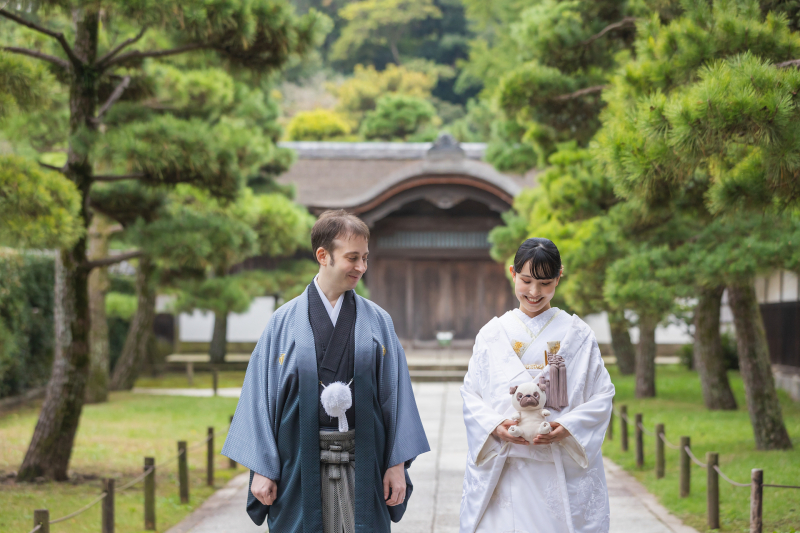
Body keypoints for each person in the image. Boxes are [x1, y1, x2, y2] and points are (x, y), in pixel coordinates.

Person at [222, 210, 429, 533]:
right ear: (323, 256)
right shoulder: (282, 322)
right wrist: (262, 468)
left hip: (365, 461)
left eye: (365, 258)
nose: (361, 267)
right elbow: (259, 399)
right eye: (352, 258)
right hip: (298, 465)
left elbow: (396, 397)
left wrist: (396, 464)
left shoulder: (378, 321)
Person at [460, 238, 615, 533]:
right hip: (506, 465)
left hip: (558, 463)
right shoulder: (492, 334)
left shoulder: (577, 335)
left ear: (559, 277)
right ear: (512, 273)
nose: (534, 292)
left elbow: (602, 394)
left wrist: (568, 427)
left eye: (545, 283)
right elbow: (471, 394)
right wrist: (495, 425)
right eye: (526, 280)